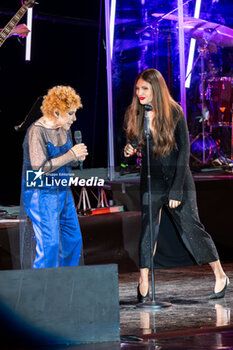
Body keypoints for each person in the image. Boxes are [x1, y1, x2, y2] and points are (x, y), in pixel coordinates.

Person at [123, 68, 229, 302]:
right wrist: (131, 147)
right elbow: (136, 141)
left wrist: (176, 189)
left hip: (177, 178)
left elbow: (184, 153)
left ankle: (220, 274)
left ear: (156, 90)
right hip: (152, 180)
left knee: (191, 227)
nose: (140, 93)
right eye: (138, 89)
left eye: (145, 89)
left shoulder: (174, 112)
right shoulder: (138, 113)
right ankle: (143, 280)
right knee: (148, 229)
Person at [20, 85, 88, 269]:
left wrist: (76, 157)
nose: (74, 119)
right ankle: (44, 289)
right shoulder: (36, 131)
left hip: (62, 192)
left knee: (73, 240)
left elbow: (65, 161)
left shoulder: (63, 128)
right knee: (50, 245)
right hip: (41, 194)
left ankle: (66, 284)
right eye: (71, 114)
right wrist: (70, 156)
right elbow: (38, 170)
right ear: (56, 112)